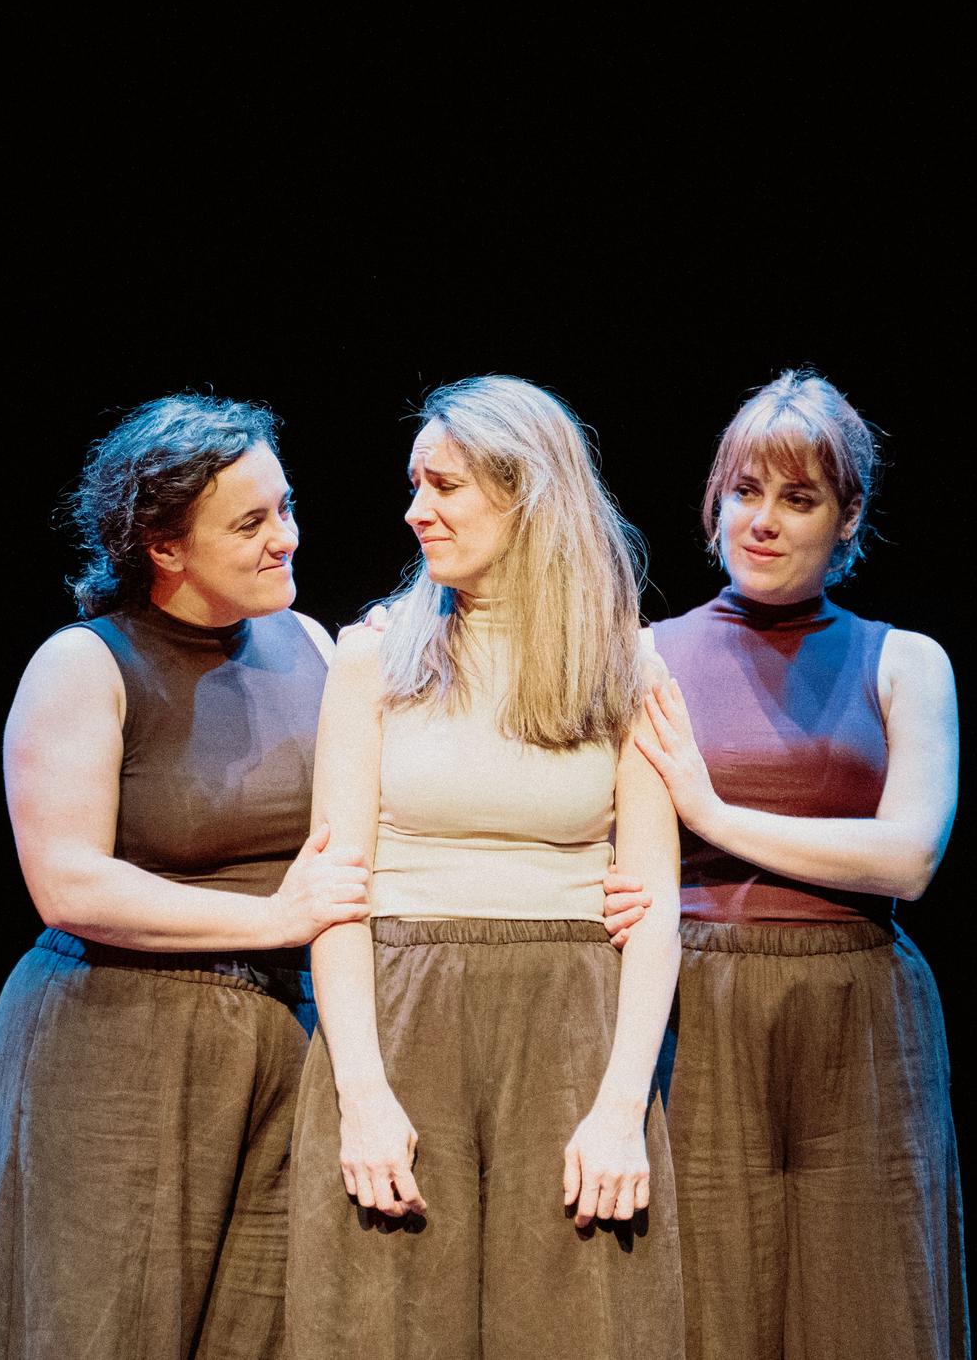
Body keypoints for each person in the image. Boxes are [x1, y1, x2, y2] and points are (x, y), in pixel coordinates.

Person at [0, 394, 371, 1360]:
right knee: (100, 1331)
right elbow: (69, 884)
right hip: (120, 1043)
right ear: (163, 545)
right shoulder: (86, 665)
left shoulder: (311, 646)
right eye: (250, 523)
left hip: (286, 1042)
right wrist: (278, 918)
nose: (285, 537)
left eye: (285, 507)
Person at [286, 375, 685, 1359]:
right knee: (382, 1325)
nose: (415, 511)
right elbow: (337, 892)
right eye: (415, 484)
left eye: (445, 485)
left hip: (569, 1029)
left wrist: (621, 1108)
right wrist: (361, 1095)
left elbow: (654, 909)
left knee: (576, 1327)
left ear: (526, 494)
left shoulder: (625, 666)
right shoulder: (372, 661)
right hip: (400, 1014)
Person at [605, 370, 968, 1359]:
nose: (761, 521)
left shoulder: (906, 662)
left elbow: (907, 858)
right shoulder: (644, 656)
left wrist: (713, 814)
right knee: (705, 1306)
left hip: (861, 1012)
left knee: (870, 1307)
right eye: (744, 491)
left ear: (847, 519)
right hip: (699, 1007)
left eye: (797, 498)